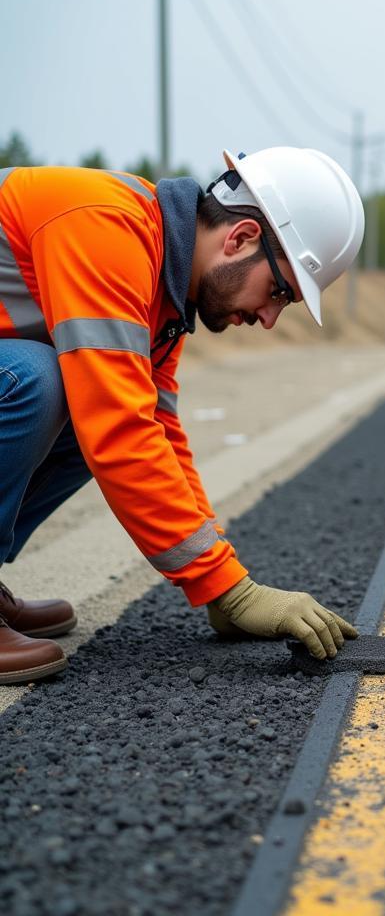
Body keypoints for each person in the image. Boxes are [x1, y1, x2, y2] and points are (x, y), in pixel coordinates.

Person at [0, 147, 365, 684]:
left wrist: (222, 577)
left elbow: (156, 433)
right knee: (43, 380)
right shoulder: (105, 226)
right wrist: (228, 589)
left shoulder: (161, 292)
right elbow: (119, 429)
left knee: (81, 391)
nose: (268, 318)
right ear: (240, 238)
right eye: (279, 292)